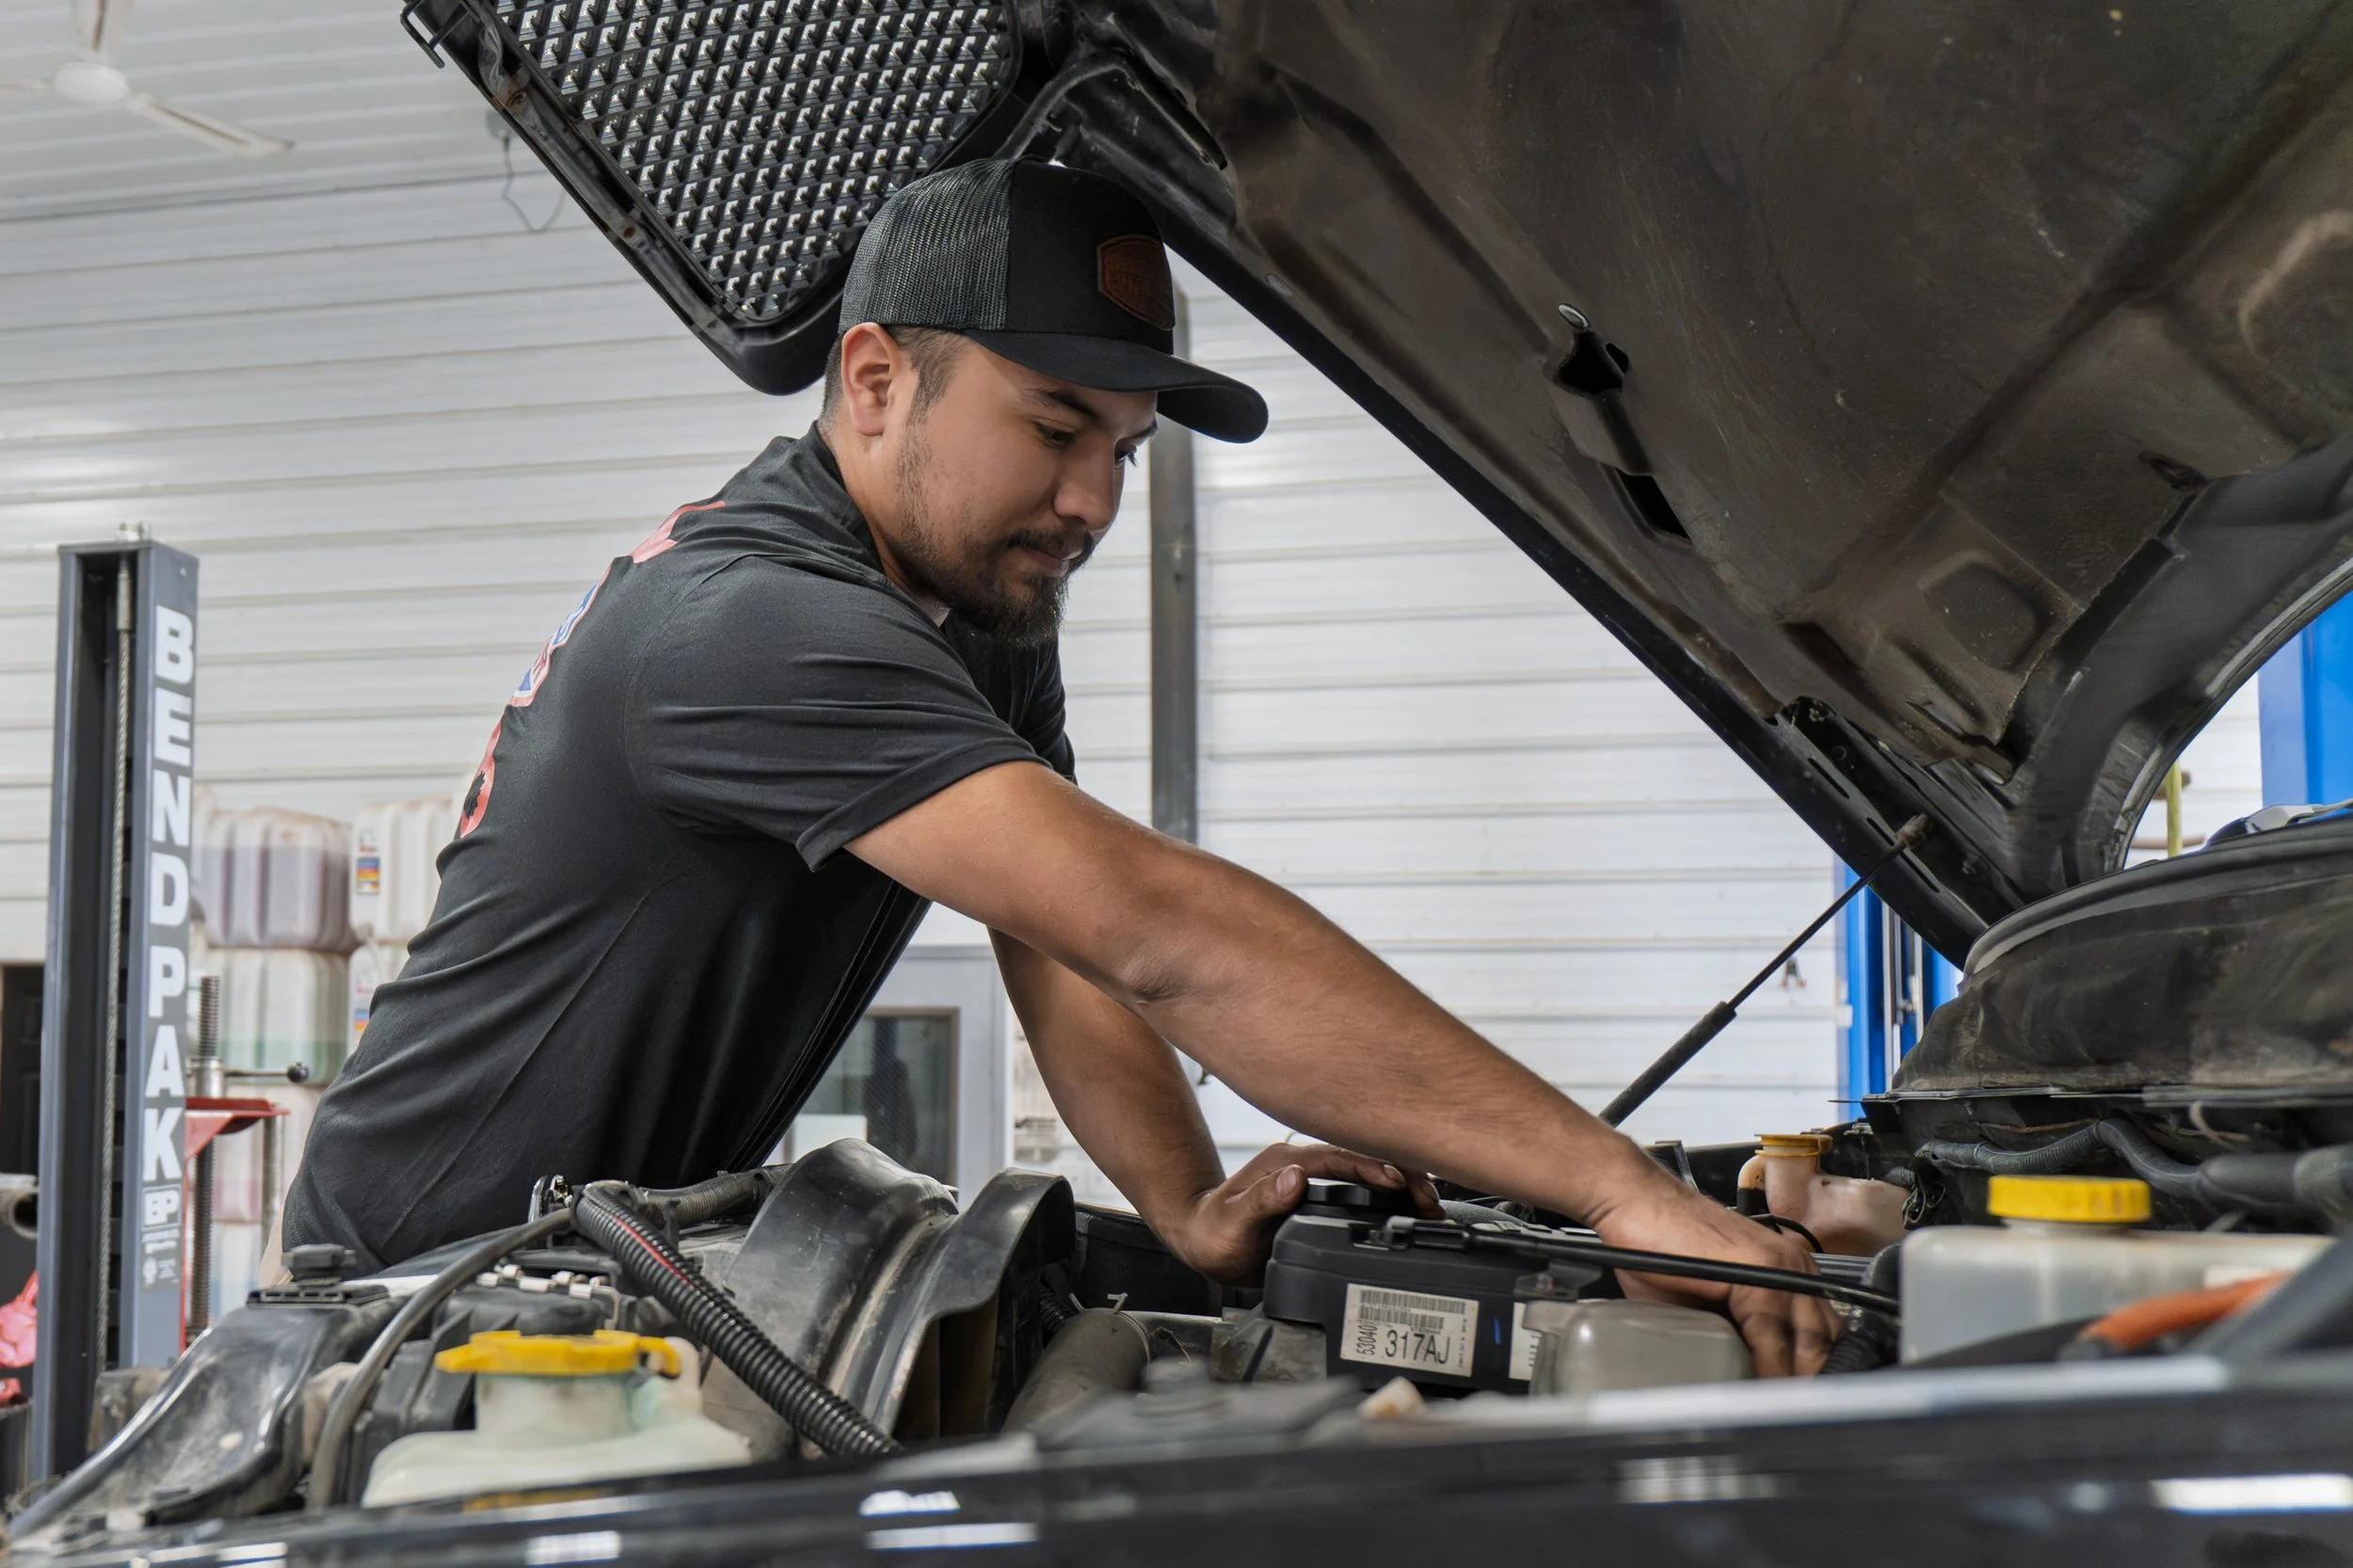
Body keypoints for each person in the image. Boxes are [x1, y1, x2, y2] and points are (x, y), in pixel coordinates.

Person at [285, 158, 1837, 1374]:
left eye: (1125, 452)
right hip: (410, 1307)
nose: (1093, 499)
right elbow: (1155, 927)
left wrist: (1186, 1202)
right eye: (1054, 428)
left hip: (608, 1279)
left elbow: (1061, 936)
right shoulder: (753, 625)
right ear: (878, 379)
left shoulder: (967, 606)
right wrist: (1615, 1184)